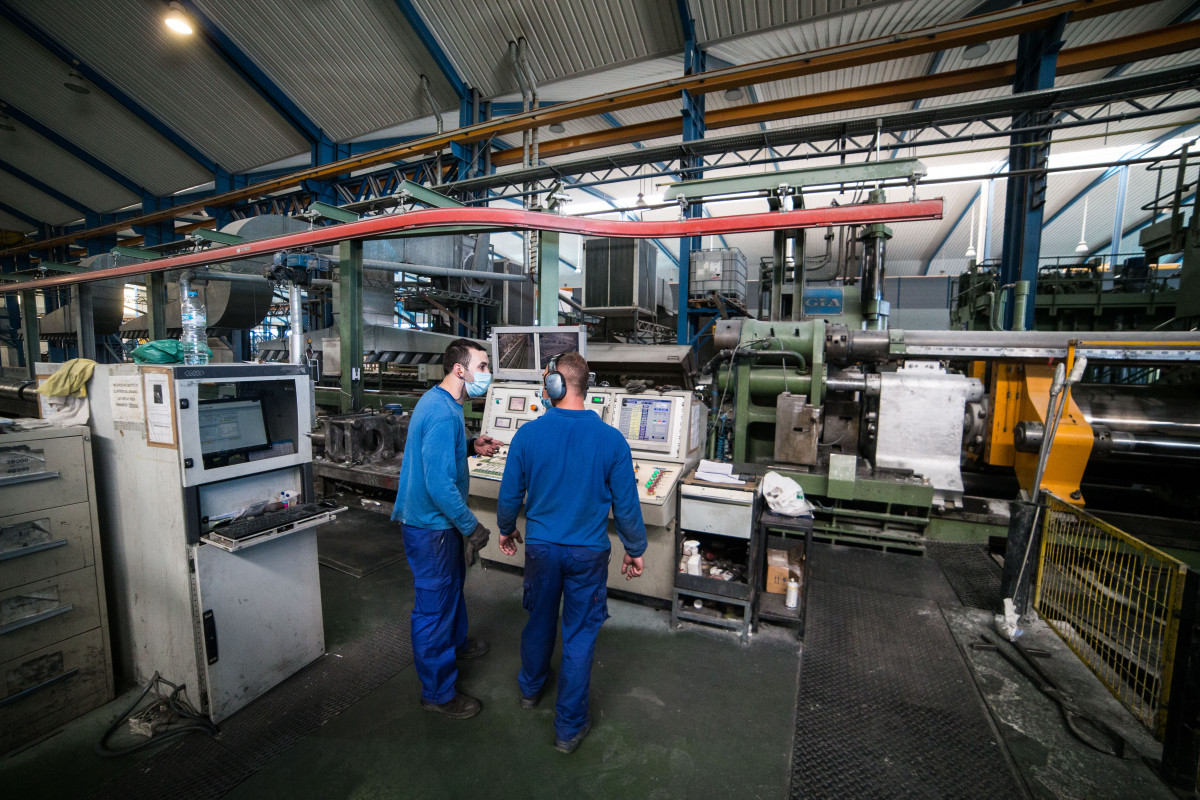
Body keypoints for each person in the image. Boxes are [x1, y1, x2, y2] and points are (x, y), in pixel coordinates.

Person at [496, 352, 646, 753]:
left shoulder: (528, 436)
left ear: (554, 386)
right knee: (579, 636)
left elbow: (510, 496)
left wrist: (506, 530)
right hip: (588, 554)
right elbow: (626, 506)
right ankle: (568, 729)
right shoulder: (612, 440)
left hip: (542, 550)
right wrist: (635, 550)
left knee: (540, 619)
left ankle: (530, 689)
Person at [391, 338, 501, 719]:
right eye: (483, 367)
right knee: (434, 607)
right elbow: (439, 484)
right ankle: (437, 693)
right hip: (430, 527)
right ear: (460, 370)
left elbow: (440, 454)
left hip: (440, 524)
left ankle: (455, 643)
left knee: (452, 587)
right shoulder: (440, 412)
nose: (487, 374)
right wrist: (472, 527)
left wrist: (472, 445)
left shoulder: (445, 404)